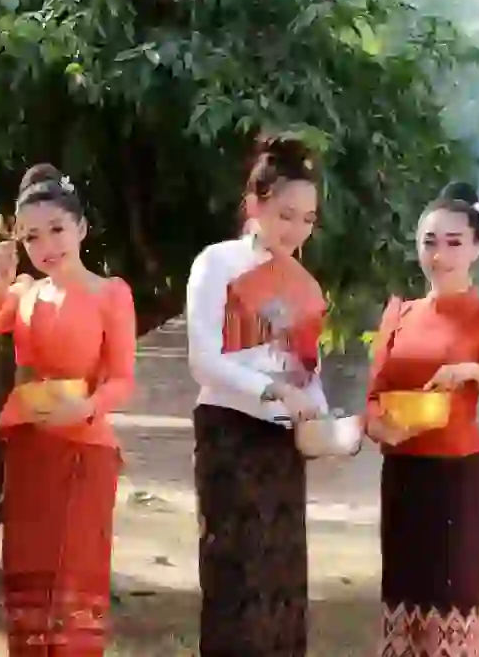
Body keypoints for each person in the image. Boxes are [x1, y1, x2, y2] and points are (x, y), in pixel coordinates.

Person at [364, 182, 479, 656]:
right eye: (429, 242)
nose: (439, 255)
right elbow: (373, 401)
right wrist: (380, 427)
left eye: (453, 243)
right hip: (403, 475)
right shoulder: (398, 314)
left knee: (450, 612)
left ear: (476, 249)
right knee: (403, 606)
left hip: (458, 483)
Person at [0, 163, 136, 656]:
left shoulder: (111, 293)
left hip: (84, 448)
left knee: (74, 577)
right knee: (28, 573)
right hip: (30, 446)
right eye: (32, 236)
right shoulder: (23, 292)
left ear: (81, 228)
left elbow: (123, 379)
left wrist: (85, 408)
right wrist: (0, 281)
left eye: (58, 230)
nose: (48, 246)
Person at [185, 134, 328, 656]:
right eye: (287, 214)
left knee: (282, 584)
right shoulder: (217, 263)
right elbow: (204, 360)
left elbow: (306, 368)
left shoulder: (305, 284)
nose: (297, 230)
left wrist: (323, 417)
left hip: (281, 442)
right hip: (228, 432)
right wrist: (271, 391)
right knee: (235, 582)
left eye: (308, 219)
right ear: (255, 204)